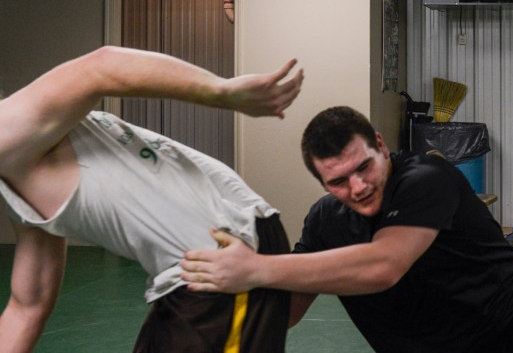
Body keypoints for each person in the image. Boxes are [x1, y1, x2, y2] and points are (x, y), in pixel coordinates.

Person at [182, 106, 513, 353]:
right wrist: (218, 305)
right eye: (338, 181)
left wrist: (254, 268)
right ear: (322, 184)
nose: (357, 187)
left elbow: (383, 266)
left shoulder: (426, 177)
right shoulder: (325, 221)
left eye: (363, 167)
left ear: (380, 144)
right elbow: (287, 312)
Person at [0, 46, 304, 353]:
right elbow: (27, 307)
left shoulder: (6, 131)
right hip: (195, 273)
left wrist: (222, 91)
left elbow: (102, 66)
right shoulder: (18, 187)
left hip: (223, 259)